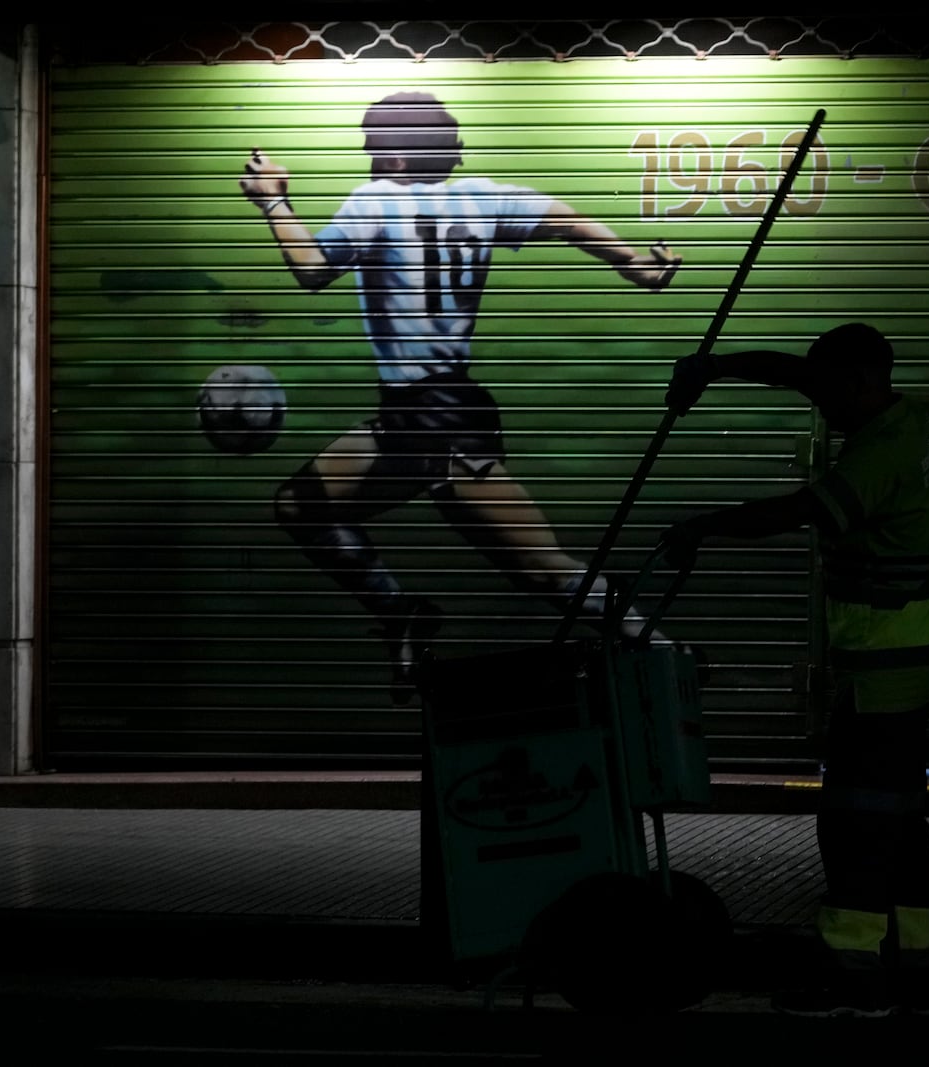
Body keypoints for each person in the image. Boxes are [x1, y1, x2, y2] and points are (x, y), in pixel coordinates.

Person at [239, 91, 680, 704]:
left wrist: (274, 202)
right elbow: (564, 221)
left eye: (373, 147)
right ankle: (401, 614)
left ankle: (657, 650)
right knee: (300, 506)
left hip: (435, 419)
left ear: (394, 155)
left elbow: (312, 268)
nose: (368, 159)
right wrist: (631, 260)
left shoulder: (377, 201)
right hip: (419, 414)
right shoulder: (485, 196)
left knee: (541, 568)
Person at [660, 323, 929, 1018]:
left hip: (882, 673)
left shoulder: (880, 452)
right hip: (900, 667)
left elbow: (809, 510)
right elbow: (797, 370)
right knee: (900, 822)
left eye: (826, 393)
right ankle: (914, 975)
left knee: (856, 822)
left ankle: (853, 980)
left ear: (859, 382)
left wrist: (703, 525)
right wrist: (718, 365)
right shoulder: (896, 414)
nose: (816, 404)